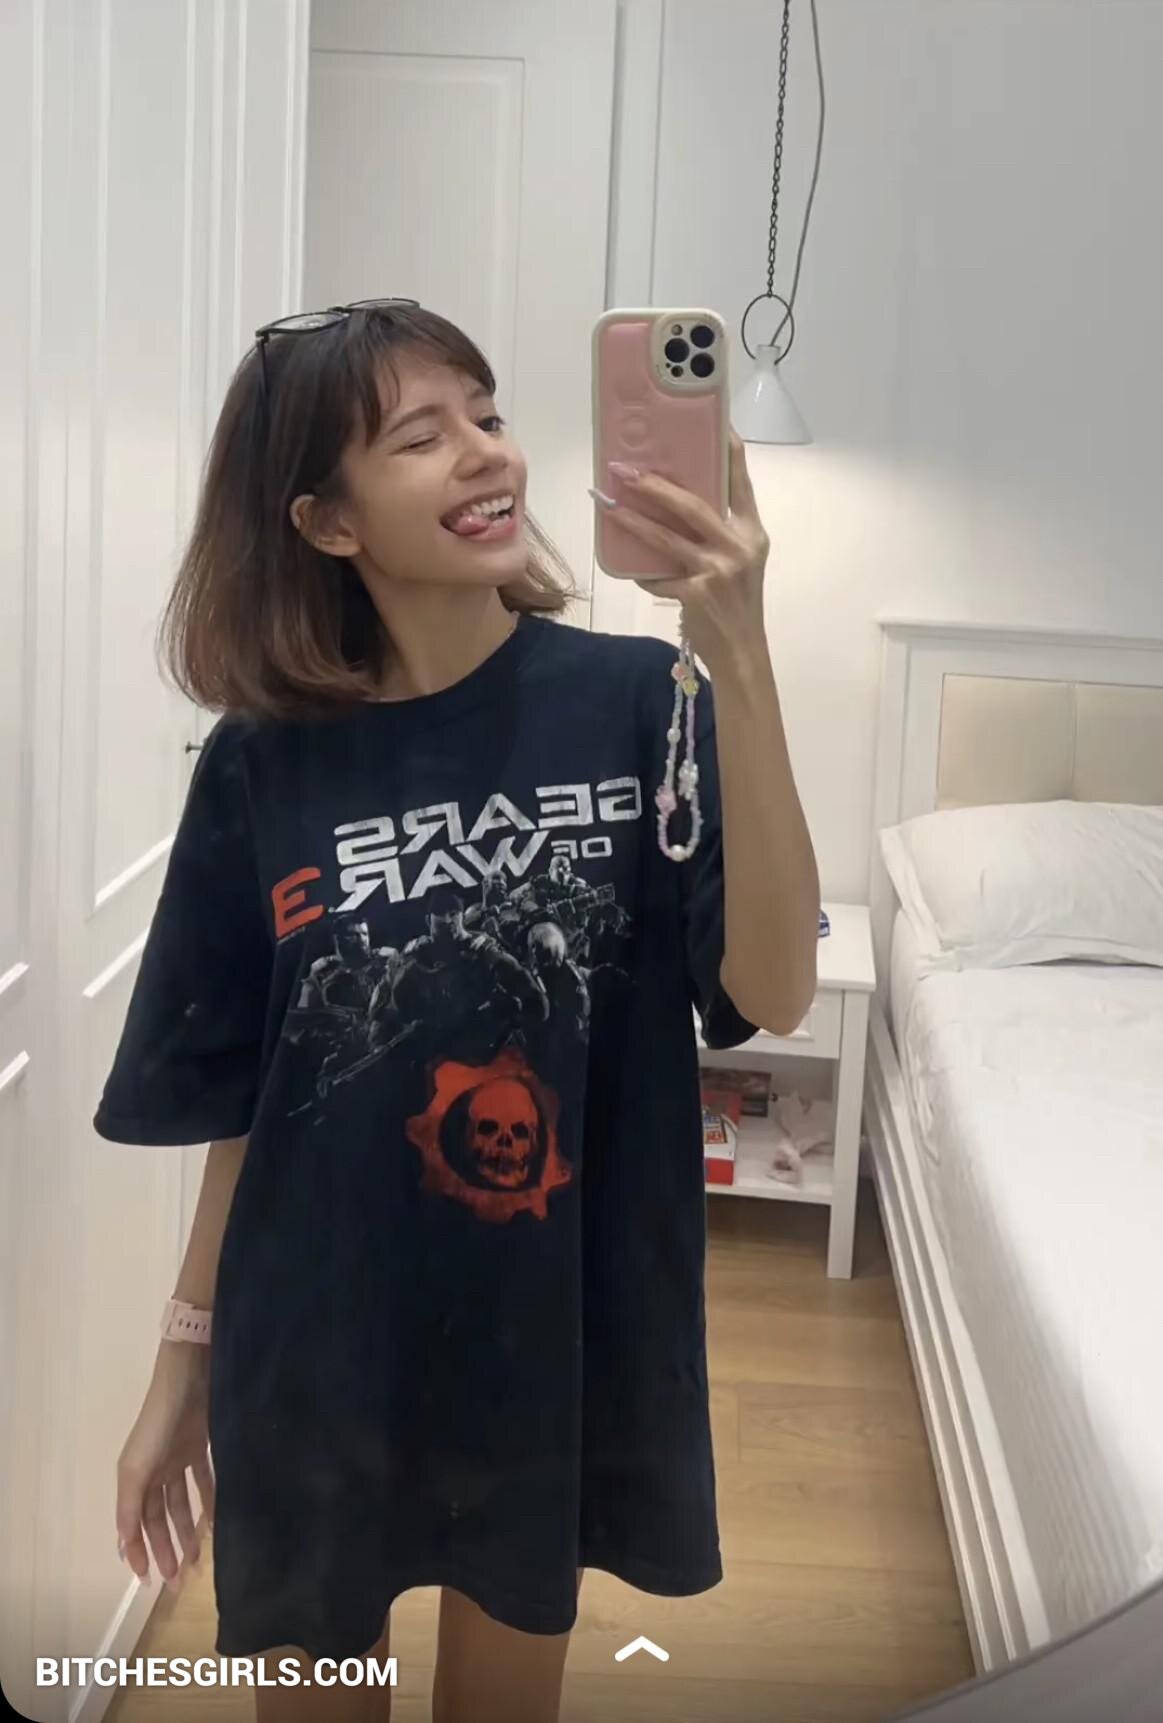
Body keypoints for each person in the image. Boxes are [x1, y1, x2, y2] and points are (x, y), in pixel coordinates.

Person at [95, 302, 819, 1722]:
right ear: (326, 521)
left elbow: (772, 988)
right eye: (422, 437)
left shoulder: (644, 701)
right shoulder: (262, 765)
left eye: (486, 415)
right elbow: (256, 1100)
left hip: (544, 1326)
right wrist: (180, 1367)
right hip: (319, 1335)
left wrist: (737, 649)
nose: (488, 454)